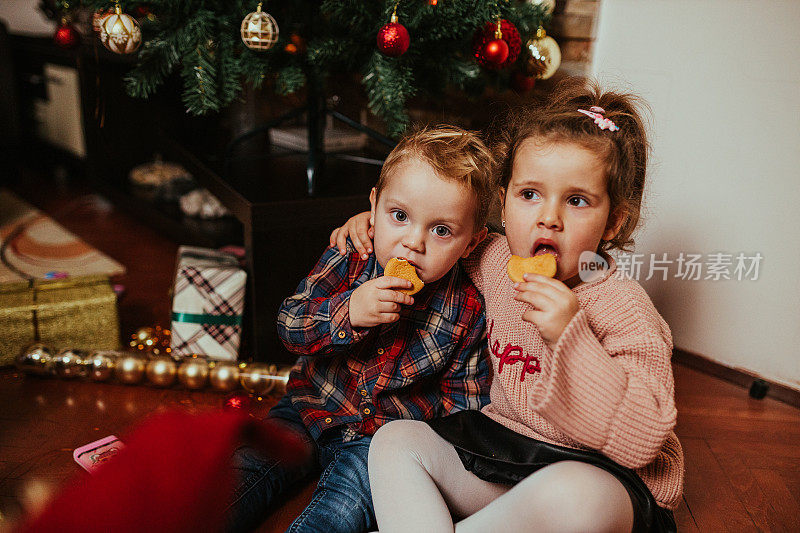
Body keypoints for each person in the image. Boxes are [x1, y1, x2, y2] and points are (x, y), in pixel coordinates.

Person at [330, 78, 684, 532]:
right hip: (503, 452)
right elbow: (442, 233)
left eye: (576, 201)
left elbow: (644, 440)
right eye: (529, 194)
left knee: (577, 497)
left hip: (599, 475)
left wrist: (569, 335)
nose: (548, 217)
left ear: (614, 222)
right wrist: (379, 224)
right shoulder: (496, 258)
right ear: (503, 202)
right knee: (395, 441)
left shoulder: (624, 308)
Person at [226, 125, 496, 532]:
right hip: (308, 407)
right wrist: (347, 312)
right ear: (374, 206)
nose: (413, 243)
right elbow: (288, 326)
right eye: (399, 216)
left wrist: (432, 461)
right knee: (243, 474)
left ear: (471, 244)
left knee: (340, 512)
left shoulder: (467, 308)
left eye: (441, 230)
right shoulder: (353, 254)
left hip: (379, 442)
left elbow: (464, 404)